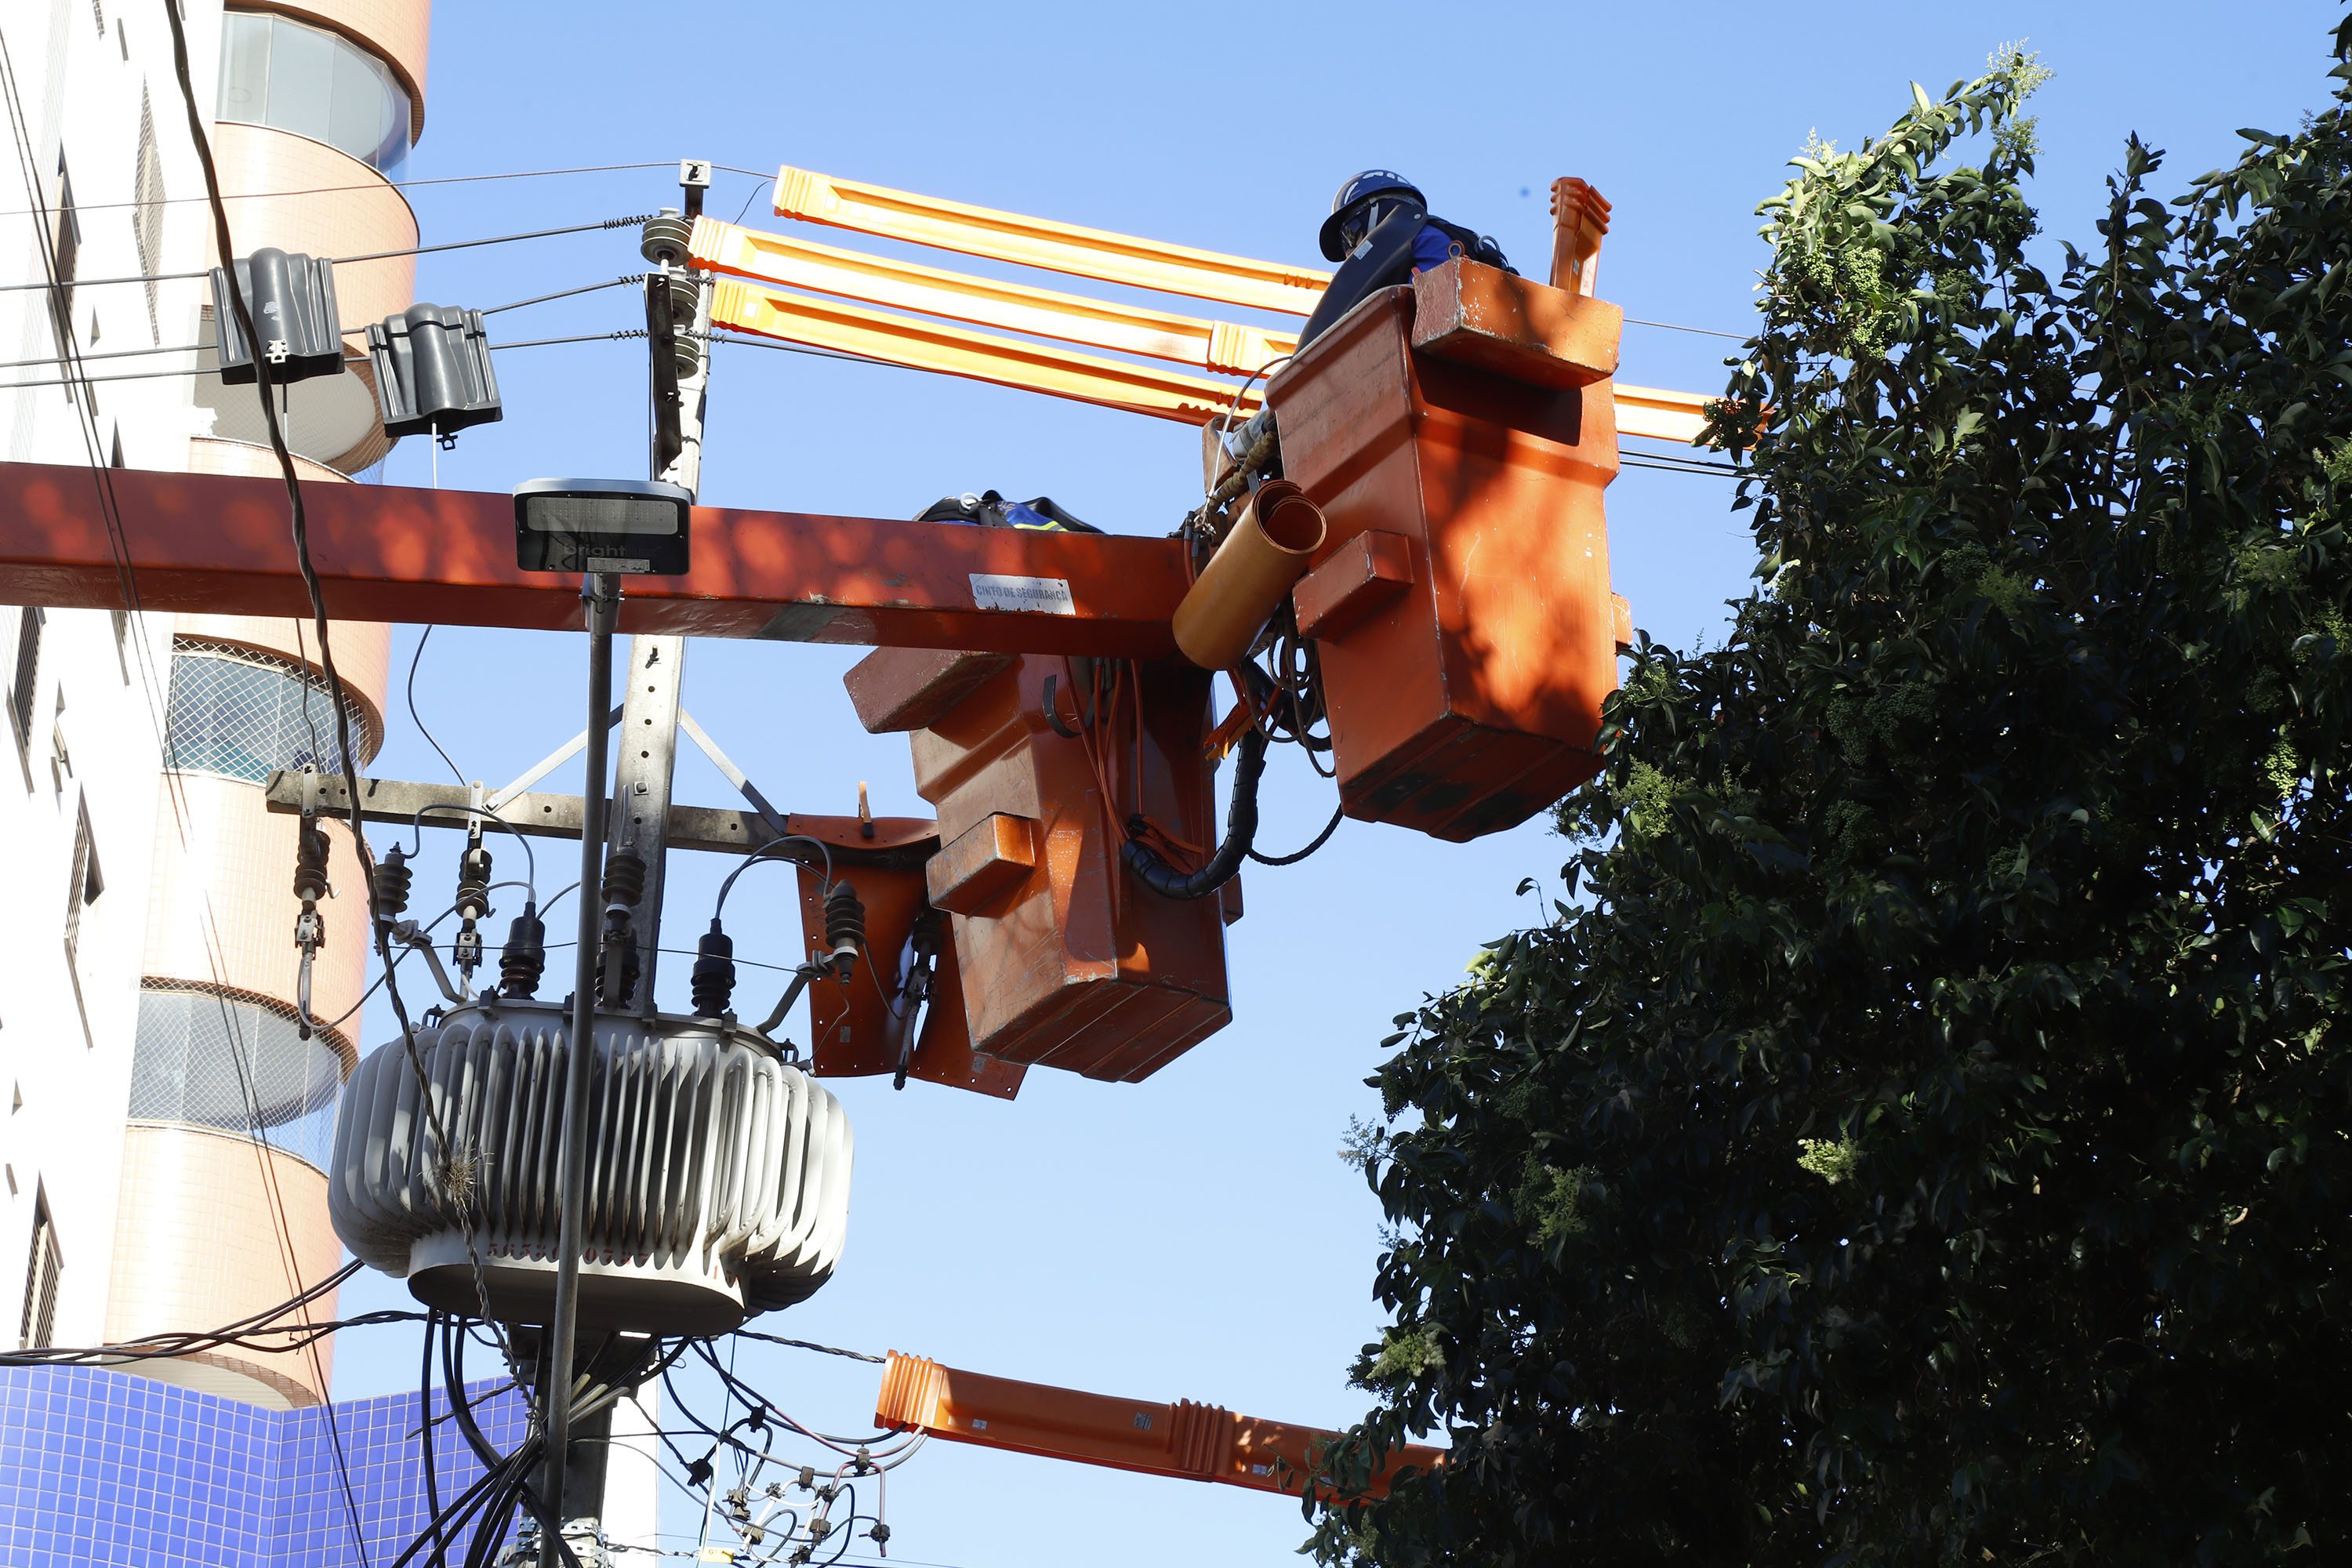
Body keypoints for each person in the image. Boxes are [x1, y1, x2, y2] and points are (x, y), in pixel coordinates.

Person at [1297, 170, 1514, 347]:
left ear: (1378, 210)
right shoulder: (1436, 238)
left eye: (1349, 235)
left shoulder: (1423, 236)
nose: (1348, 253)